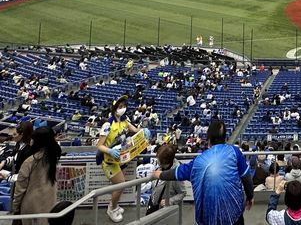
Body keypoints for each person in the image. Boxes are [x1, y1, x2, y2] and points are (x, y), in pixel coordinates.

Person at [153, 119, 253, 225]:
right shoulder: (234, 152)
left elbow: (177, 173)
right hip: (235, 216)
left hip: (207, 220)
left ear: (208, 139)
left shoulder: (198, 162)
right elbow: (246, 178)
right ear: (225, 138)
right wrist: (250, 196)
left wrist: (160, 174)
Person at [96, 95, 150, 223]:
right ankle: (111, 208)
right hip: (109, 159)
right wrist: (109, 150)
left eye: (124, 106)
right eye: (120, 107)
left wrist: (144, 131)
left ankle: (115, 206)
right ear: (114, 108)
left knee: (121, 184)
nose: (123, 109)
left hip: (122, 158)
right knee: (120, 184)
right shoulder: (108, 125)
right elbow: (99, 145)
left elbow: (136, 130)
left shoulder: (125, 121)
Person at [12, 127, 62, 225]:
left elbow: (20, 188)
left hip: (31, 206)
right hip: (50, 203)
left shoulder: (30, 161)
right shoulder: (53, 158)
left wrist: (15, 207)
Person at [146, 144, 186, 213]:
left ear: (164, 161)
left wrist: (169, 201)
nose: (157, 160)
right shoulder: (161, 168)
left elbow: (182, 193)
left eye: (158, 158)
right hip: (156, 205)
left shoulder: (175, 174)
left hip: (166, 210)